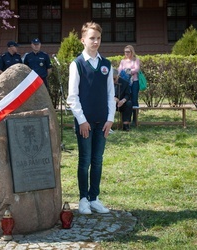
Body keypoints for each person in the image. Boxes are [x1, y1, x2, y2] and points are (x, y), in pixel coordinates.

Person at [66, 22, 115, 215]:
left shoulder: (106, 65)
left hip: (102, 122)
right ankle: (83, 199)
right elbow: (72, 97)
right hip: (85, 123)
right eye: (92, 38)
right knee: (84, 160)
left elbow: (110, 94)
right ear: (83, 40)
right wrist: (82, 120)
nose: (95, 42)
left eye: (98, 38)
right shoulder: (77, 64)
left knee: (98, 160)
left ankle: (94, 198)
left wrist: (110, 119)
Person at [118, 45, 140, 125]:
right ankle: (127, 119)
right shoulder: (123, 61)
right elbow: (119, 70)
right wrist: (123, 71)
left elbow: (137, 69)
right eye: (125, 52)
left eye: (128, 52)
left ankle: (135, 119)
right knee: (127, 100)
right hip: (125, 83)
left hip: (134, 82)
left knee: (134, 100)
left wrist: (128, 71)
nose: (126, 53)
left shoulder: (136, 60)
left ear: (132, 52)